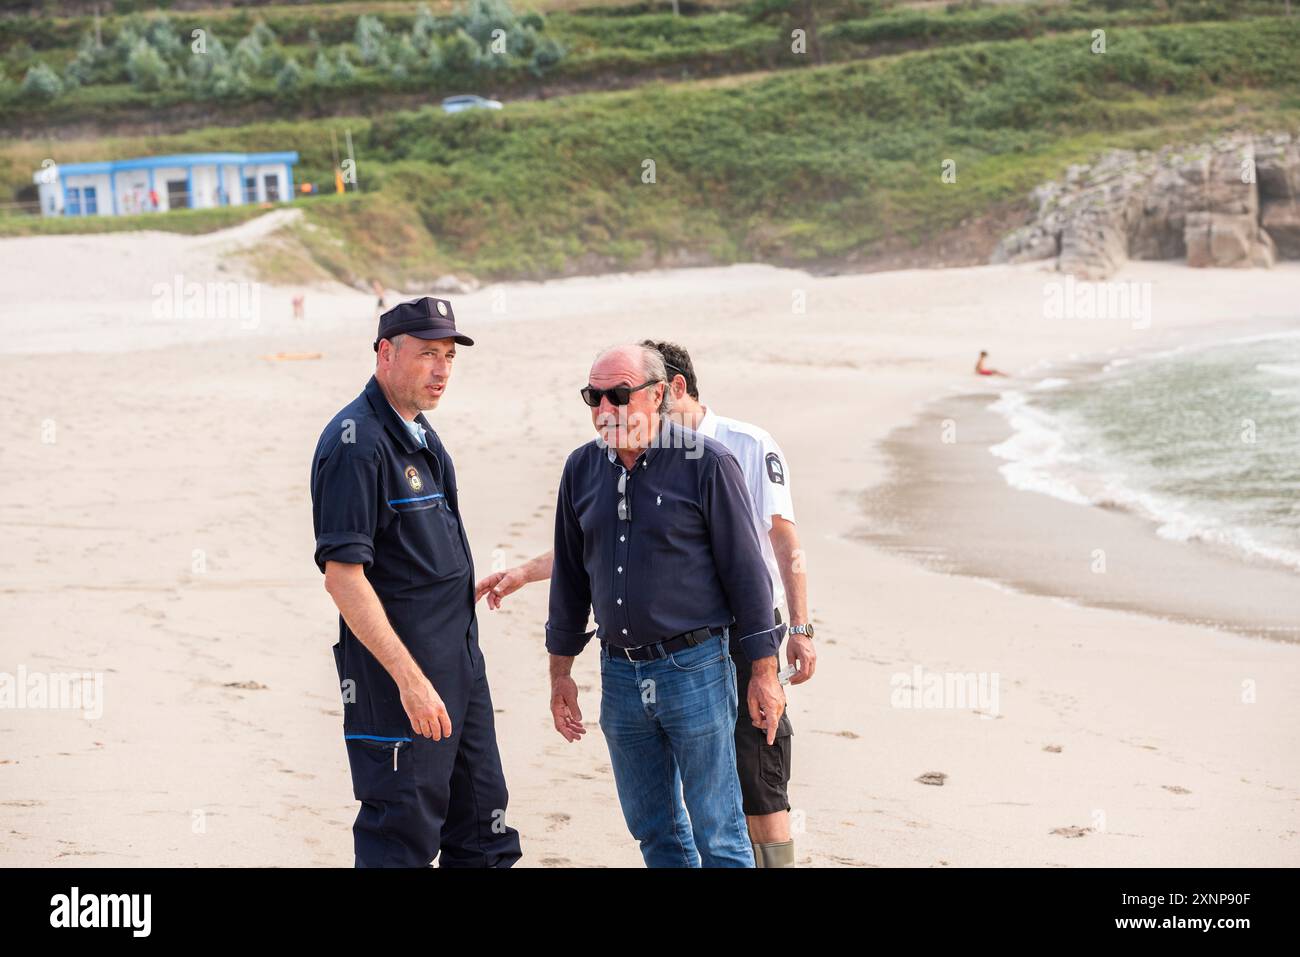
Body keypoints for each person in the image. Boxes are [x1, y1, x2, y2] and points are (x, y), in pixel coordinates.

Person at [476, 340, 815, 867]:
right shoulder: (581, 469)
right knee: (654, 831)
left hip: (698, 669)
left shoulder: (711, 463)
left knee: (718, 831)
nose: (605, 409)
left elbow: (748, 578)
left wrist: (765, 671)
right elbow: (570, 577)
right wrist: (560, 674)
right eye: (594, 397)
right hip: (619, 675)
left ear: (659, 395)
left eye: (619, 395)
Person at [310, 296, 521, 868]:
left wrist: (456, 587)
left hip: (460, 668)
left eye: (449, 356)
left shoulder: (420, 434)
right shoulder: (355, 445)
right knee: (399, 837)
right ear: (385, 353)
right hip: (397, 684)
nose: (442, 370)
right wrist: (409, 681)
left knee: (484, 832)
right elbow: (344, 578)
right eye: (428, 354)